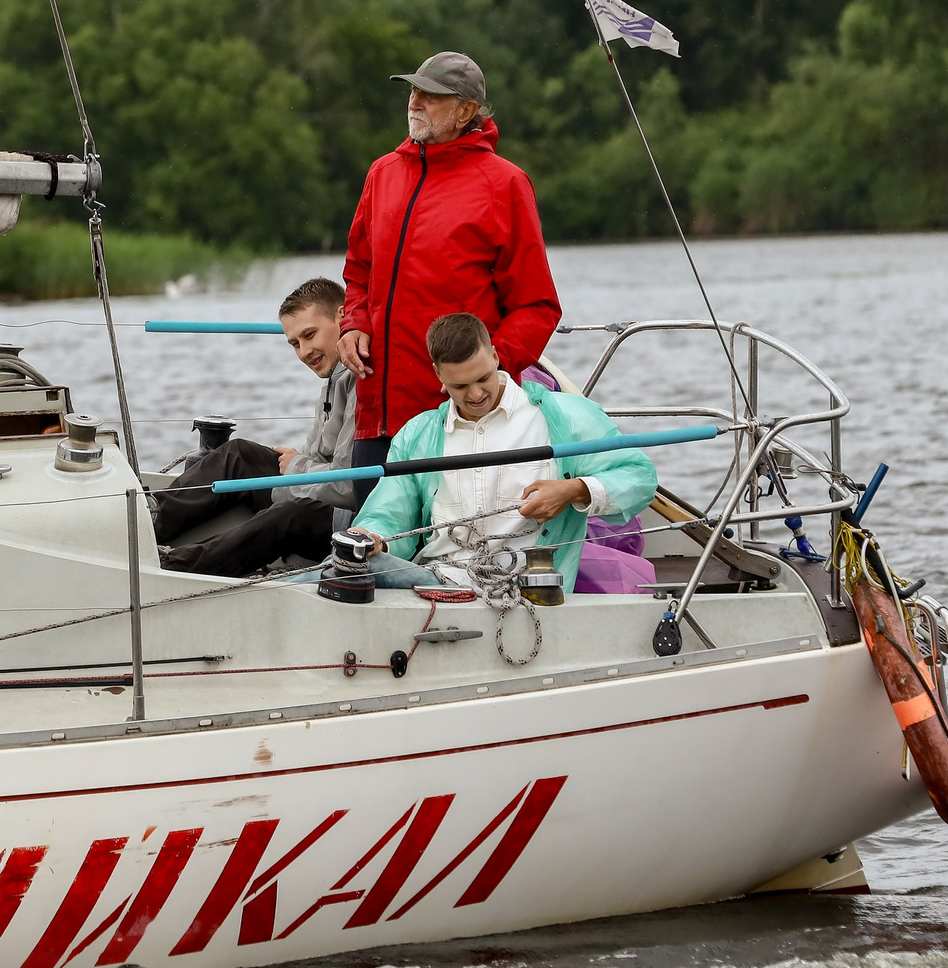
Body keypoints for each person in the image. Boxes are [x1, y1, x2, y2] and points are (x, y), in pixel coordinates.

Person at [339, 51, 561, 470]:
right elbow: (358, 273)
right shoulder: (381, 173)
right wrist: (353, 324)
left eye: (431, 95)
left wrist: (488, 373)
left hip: (459, 421)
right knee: (375, 533)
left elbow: (537, 307)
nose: (414, 101)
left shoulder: (506, 184)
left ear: (466, 111)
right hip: (376, 418)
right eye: (413, 90)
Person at [341, 312, 656, 596]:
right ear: (438, 374)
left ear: (494, 356)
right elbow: (387, 515)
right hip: (436, 583)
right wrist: (373, 537)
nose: (475, 394)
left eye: (482, 379)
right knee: (338, 569)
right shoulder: (417, 434)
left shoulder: (568, 417)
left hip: (528, 590)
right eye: (460, 386)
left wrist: (572, 490)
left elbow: (640, 477)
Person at [153, 278, 358, 577]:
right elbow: (315, 456)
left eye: (310, 335)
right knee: (239, 454)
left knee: (287, 516)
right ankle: (142, 523)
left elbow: (348, 488)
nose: (304, 352)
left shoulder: (361, 381)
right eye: (295, 343)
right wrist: (299, 463)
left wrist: (297, 465)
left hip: (349, 518)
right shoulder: (333, 379)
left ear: (343, 316)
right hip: (317, 490)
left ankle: (173, 568)